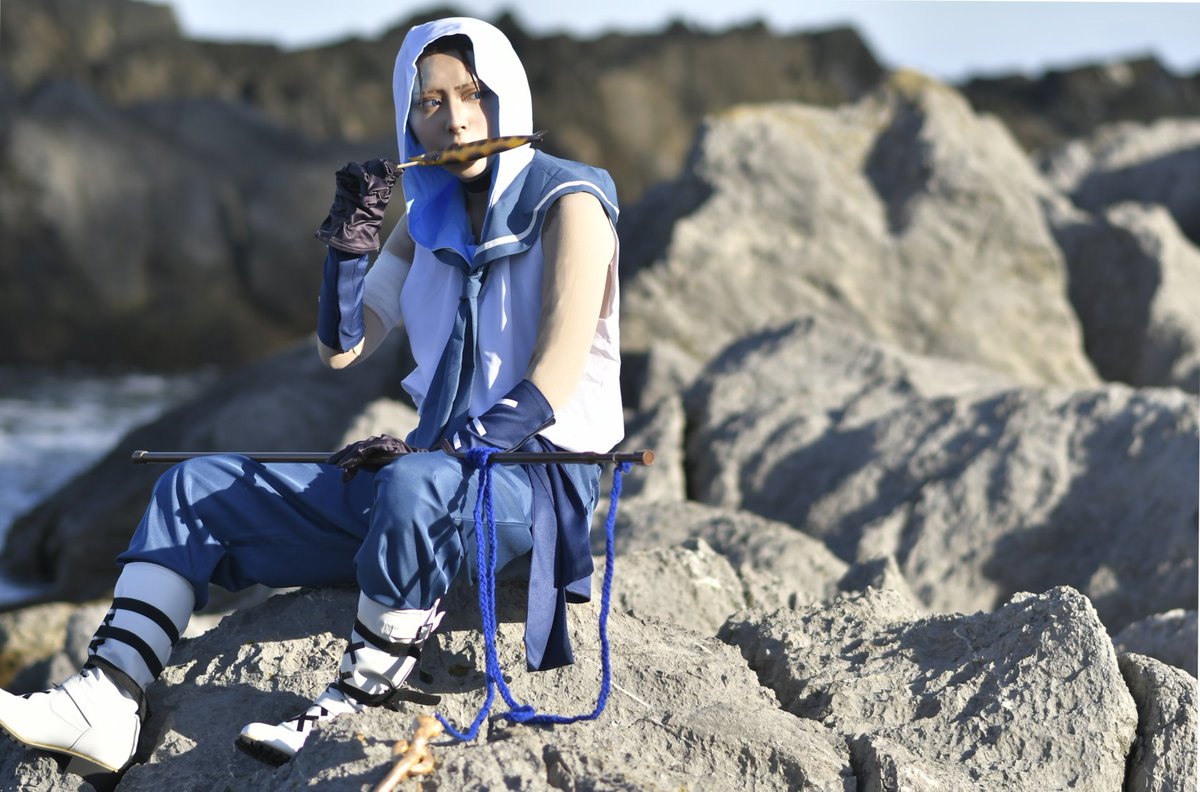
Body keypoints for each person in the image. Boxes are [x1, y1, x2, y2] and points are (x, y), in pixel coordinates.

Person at [0, 16, 621, 773]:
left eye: (473, 94)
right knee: (194, 488)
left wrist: (442, 452)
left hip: (533, 485)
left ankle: (358, 695)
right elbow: (343, 346)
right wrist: (349, 247)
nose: (456, 120)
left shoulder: (572, 202)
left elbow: (553, 377)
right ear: (408, 118)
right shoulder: (424, 221)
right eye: (430, 103)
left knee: (416, 483)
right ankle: (107, 698)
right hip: (430, 490)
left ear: (508, 94)